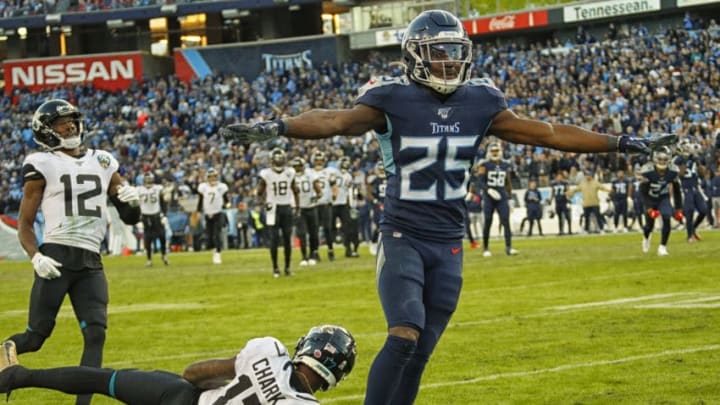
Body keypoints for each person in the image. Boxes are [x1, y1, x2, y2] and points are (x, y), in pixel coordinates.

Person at [219, 9, 675, 404]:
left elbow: (549, 133)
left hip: (449, 242)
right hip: (403, 234)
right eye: (439, 51)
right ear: (416, 55)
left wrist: (622, 142)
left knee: (420, 353)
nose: (450, 60)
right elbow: (336, 120)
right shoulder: (391, 99)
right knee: (404, 332)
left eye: (455, 51)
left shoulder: (482, 102)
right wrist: (278, 127)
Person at [7, 99, 141, 405]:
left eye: (71, 120)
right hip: (57, 255)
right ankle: (4, 353)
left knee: (96, 336)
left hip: (91, 260)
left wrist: (133, 201)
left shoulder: (104, 161)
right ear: (46, 130)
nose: (69, 126)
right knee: (35, 337)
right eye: (60, 123)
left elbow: (132, 217)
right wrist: (36, 256)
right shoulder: (41, 163)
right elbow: (25, 224)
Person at [0, 325, 356, 405]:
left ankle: (18, 375)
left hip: (182, 398)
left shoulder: (270, 351)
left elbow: (193, 373)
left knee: (102, 379)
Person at [257, 148, 296, 277]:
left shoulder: (290, 172)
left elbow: (295, 190)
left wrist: (297, 205)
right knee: (274, 239)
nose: (279, 161)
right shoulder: (266, 174)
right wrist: (264, 203)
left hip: (285, 206)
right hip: (273, 207)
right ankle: (276, 267)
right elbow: (260, 192)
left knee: (286, 238)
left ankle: (286, 267)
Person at [640, 146, 683, 256]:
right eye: (660, 159)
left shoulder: (673, 171)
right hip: (650, 198)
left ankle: (662, 247)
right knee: (649, 226)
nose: (662, 162)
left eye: (664, 159)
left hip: (663, 198)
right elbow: (643, 192)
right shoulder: (647, 171)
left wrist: (678, 209)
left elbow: (677, 191)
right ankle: (646, 237)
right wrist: (649, 208)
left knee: (667, 217)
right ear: (655, 159)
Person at [477, 142, 517, 257]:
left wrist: (510, 198)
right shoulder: (484, 164)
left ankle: (509, 248)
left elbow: (508, 182)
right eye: (493, 151)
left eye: (497, 151)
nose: (495, 153)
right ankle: (485, 248)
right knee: (488, 221)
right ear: (489, 152)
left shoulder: (505, 164)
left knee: (506, 221)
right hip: (488, 196)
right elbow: (479, 180)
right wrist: (488, 190)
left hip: (502, 196)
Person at [673, 141, 708, 242]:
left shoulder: (694, 158)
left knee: (704, 210)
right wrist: (684, 162)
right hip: (686, 188)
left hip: (695, 187)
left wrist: (698, 163)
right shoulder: (677, 160)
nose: (687, 149)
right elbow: (681, 173)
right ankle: (689, 236)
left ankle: (693, 228)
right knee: (690, 211)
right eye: (685, 147)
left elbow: (703, 172)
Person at [290, 157, 320, 266]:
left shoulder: (310, 174)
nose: (297, 169)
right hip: (298, 208)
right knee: (301, 233)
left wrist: (316, 197)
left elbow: (318, 190)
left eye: (299, 166)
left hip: (311, 206)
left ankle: (313, 254)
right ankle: (304, 256)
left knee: (313, 233)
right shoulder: (290, 176)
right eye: (295, 167)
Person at [196, 168, 229, 264]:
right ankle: (215, 251)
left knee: (216, 234)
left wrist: (227, 204)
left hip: (218, 212)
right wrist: (198, 211)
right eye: (210, 177)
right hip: (207, 213)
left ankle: (218, 254)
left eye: (214, 177)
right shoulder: (203, 187)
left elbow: (226, 199)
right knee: (209, 236)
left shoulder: (221, 187)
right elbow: (200, 200)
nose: (212, 179)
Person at [310, 151, 338, 261]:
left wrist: (334, 195)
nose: (319, 162)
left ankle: (330, 250)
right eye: (317, 160)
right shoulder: (309, 172)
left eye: (321, 160)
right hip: (314, 204)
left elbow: (334, 185)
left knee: (327, 228)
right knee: (314, 230)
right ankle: (315, 251)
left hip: (326, 204)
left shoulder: (328, 172)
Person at [138, 173, 169, 267]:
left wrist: (164, 215)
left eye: (150, 180)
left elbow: (163, 202)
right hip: (145, 215)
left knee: (162, 236)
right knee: (148, 238)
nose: (148, 182)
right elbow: (136, 205)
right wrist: (138, 219)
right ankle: (149, 259)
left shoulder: (158, 188)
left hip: (157, 215)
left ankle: (164, 255)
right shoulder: (139, 190)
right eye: (147, 180)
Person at [333, 156, 359, 258]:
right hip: (333, 203)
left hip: (343, 203)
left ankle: (348, 248)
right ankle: (332, 248)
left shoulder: (348, 176)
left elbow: (348, 191)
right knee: (330, 227)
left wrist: (351, 204)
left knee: (347, 227)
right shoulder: (334, 173)